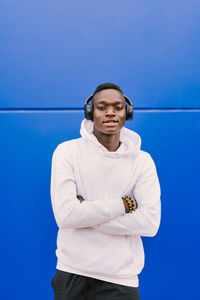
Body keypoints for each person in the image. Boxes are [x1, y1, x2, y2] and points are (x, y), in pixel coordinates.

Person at [50, 83, 161, 300]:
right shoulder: (67, 152)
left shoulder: (142, 161)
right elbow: (65, 216)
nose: (110, 112)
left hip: (121, 279)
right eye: (102, 107)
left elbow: (149, 223)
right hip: (71, 273)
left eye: (117, 107)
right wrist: (124, 205)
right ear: (90, 113)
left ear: (126, 113)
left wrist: (84, 214)